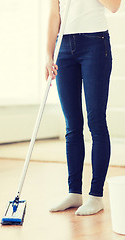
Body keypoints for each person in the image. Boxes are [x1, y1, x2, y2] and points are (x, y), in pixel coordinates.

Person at [45, 0, 121, 216]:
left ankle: (96, 196)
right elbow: (54, 15)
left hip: (95, 43)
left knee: (96, 121)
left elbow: (115, 6)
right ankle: (74, 192)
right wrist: (48, 55)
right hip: (63, 48)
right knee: (72, 125)